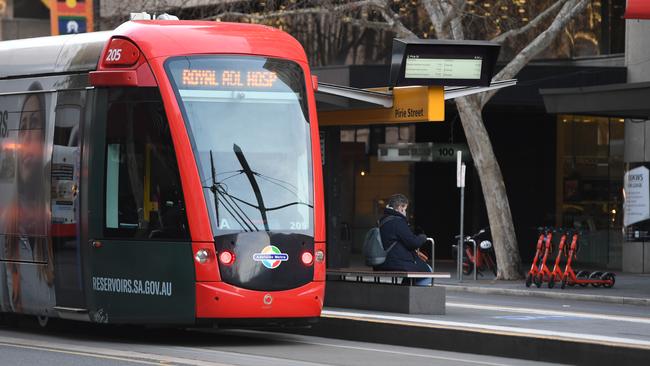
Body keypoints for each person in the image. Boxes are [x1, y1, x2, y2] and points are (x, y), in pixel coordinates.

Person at [0, 83, 55, 314]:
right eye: (22, 128)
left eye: (34, 124)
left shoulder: (54, 219)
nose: (26, 138)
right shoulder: (7, 222)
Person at [373, 193, 433, 286]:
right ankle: (413, 297)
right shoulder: (398, 221)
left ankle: (406, 289)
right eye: (405, 209)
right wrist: (422, 238)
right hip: (395, 262)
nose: (405, 212)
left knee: (418, 271)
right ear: (400, 207)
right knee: (428, 271)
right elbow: (413, 243)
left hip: (382, 262)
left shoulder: (382, 221)